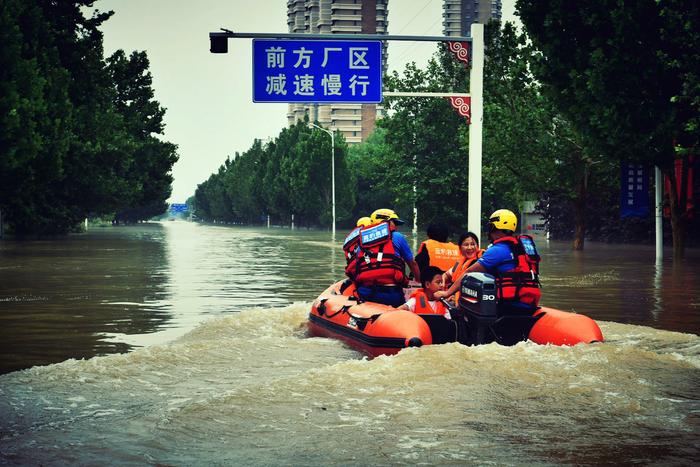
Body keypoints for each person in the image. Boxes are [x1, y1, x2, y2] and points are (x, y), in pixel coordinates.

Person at [435, 209, 541, 313]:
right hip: (529, 302)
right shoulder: (523, 248)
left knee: (466, 308)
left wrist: (447, 293)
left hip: (509, 304)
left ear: (493, 227)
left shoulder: (496, 250)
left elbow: (468, 274)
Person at [348, 208, 421, 307]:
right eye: (394, 222)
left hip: (365, 293)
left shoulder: (362, 240)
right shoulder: (398, 237)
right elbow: (412, 263)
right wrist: (419, 281)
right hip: (390, 294)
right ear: (386, 222)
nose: (396, 227)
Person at [443, 231, 483, 300]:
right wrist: (442, 283)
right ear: (460, 248)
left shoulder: (481, 262)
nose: (470, 248)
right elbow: (446, 275)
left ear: (478, 246)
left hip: (470, 301)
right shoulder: (460, 263)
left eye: (473, 244)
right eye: (466, 245)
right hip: (454, 299)